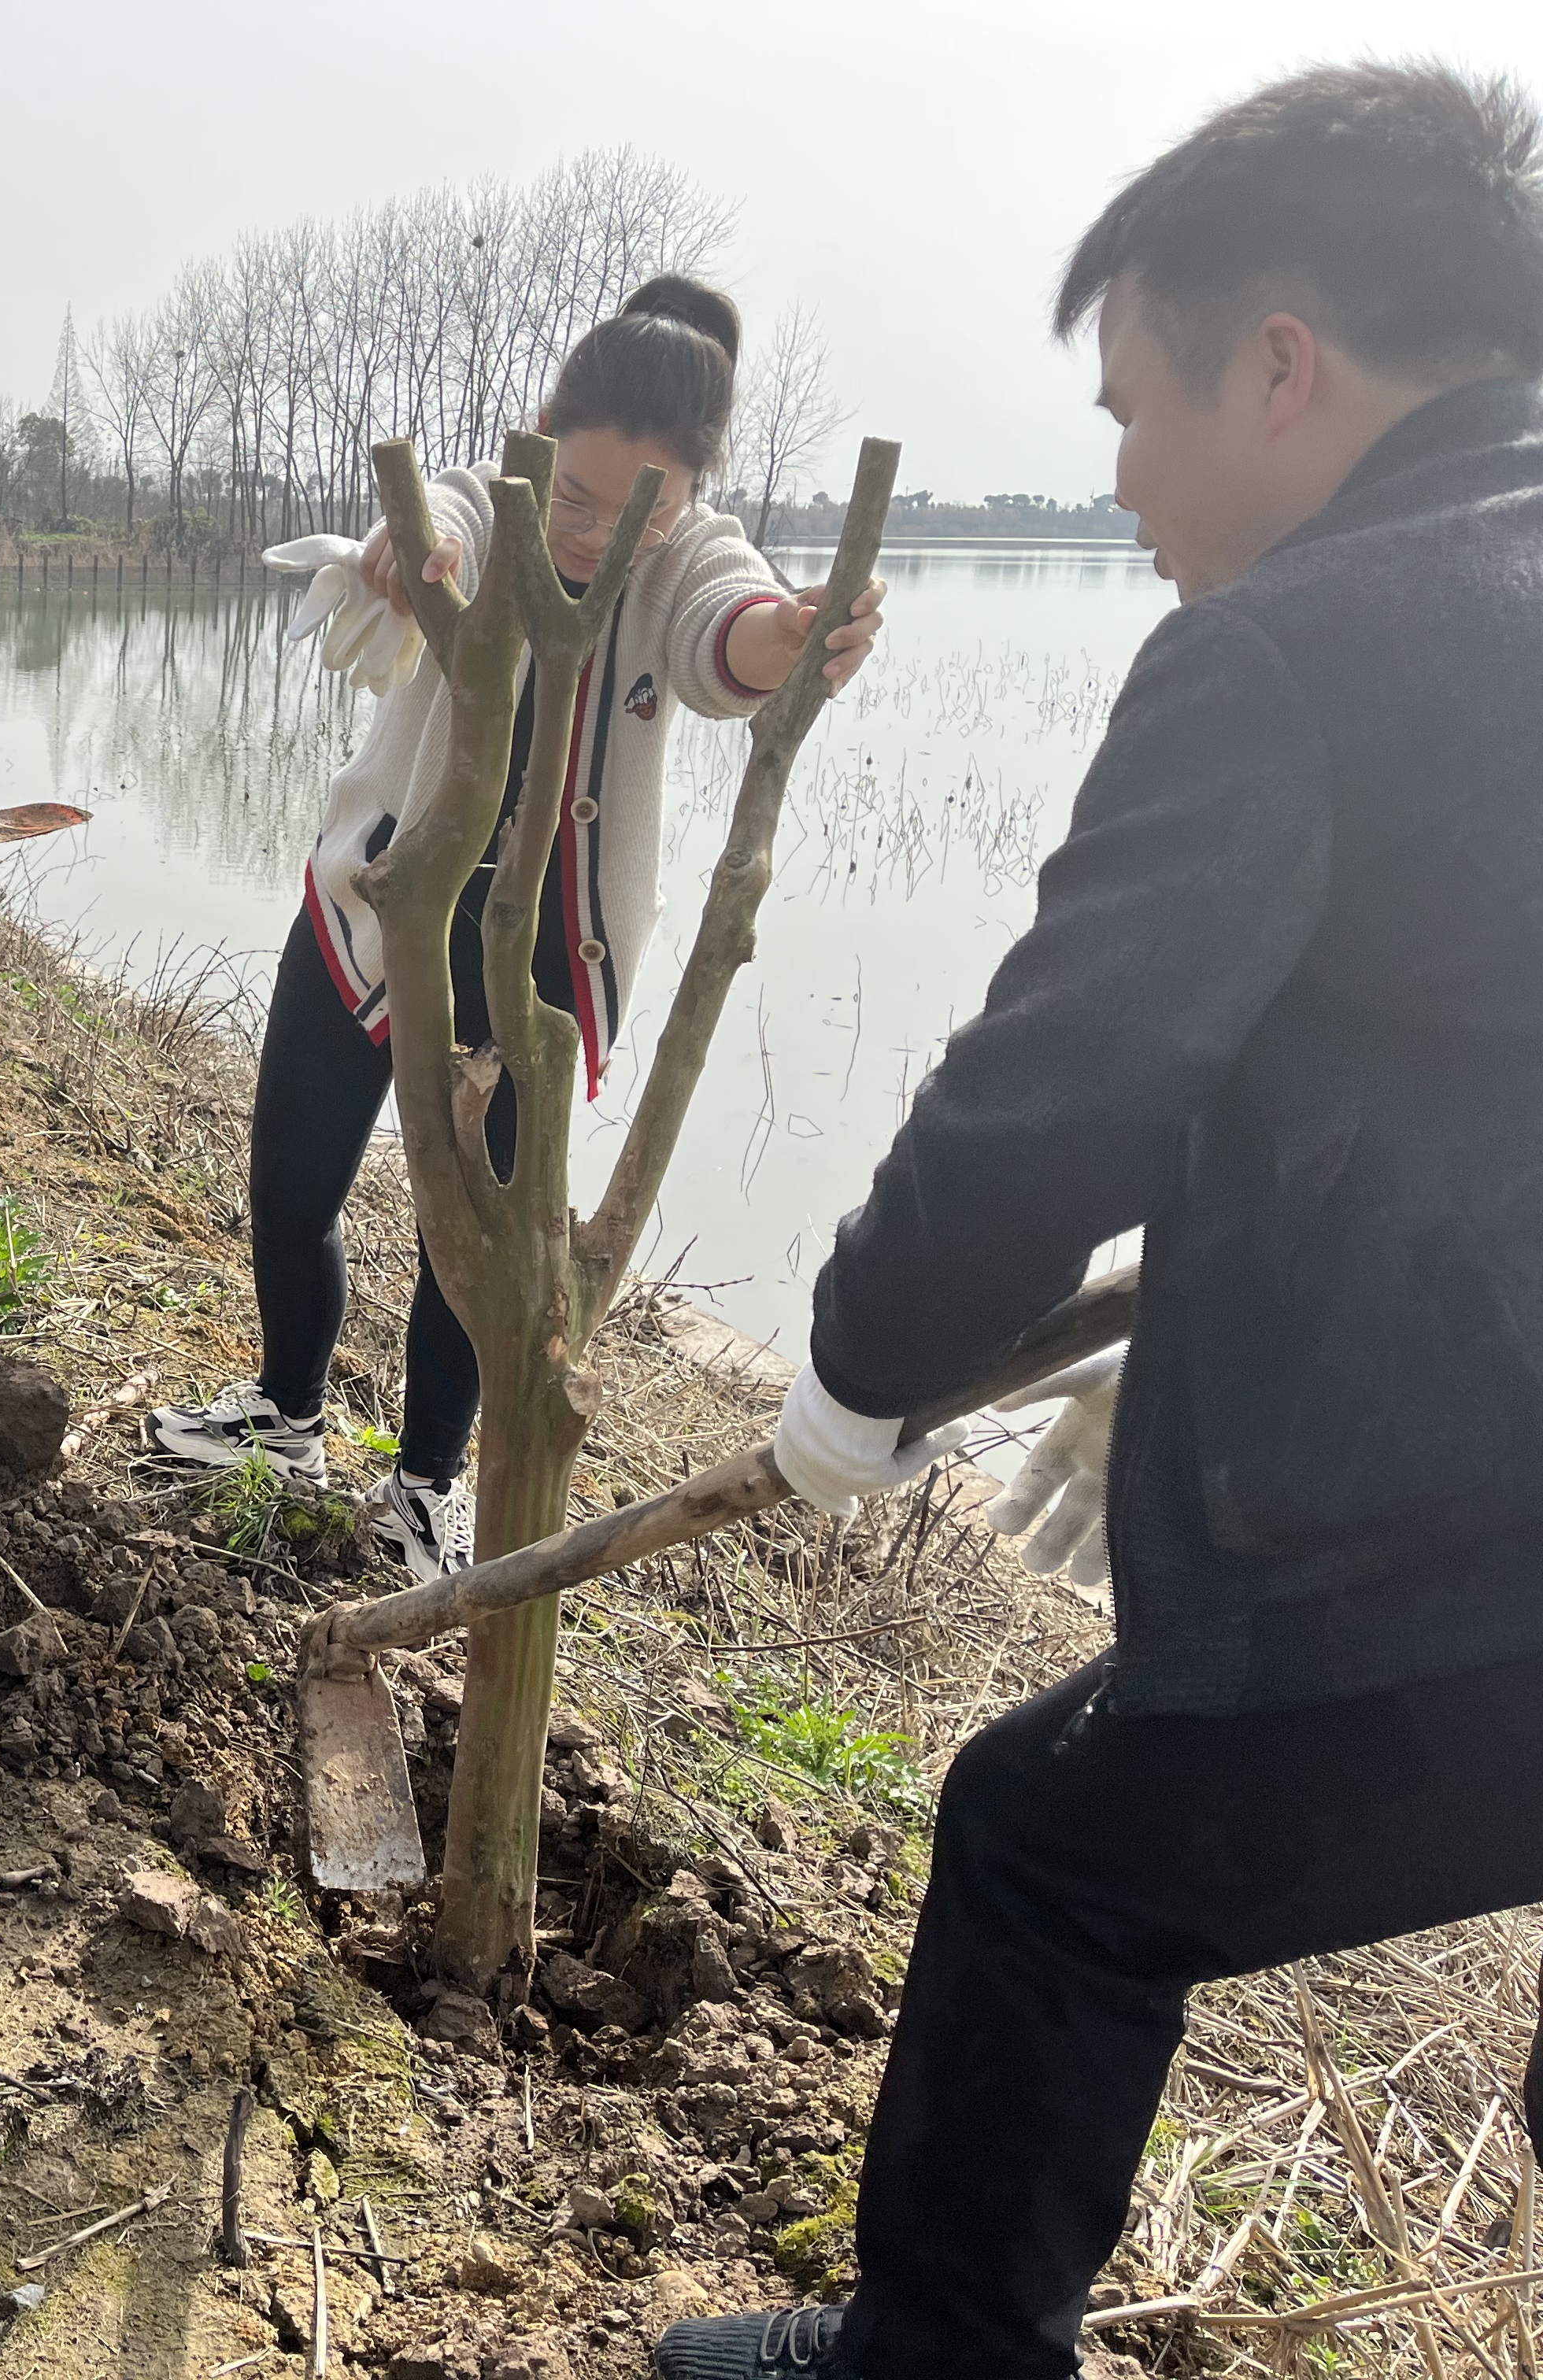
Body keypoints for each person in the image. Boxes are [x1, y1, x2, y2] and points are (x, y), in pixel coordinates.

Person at [657, 64, 1543, 2380]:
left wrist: (859, 1367)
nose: (1121, 476)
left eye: (1136, 406)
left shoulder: (1307, 649)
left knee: (1056, 1850)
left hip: (1486, 1568)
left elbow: (1062, 1098)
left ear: (1284, 366)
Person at [146, 278, 882, 1584]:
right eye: (579, 491)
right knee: (289, 1171)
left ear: (690, 488)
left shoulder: (689, 557)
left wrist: (799, 629)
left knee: (472, 1240)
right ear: (542, 432)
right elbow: (443, 540)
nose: (597, 528)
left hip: (537, 963)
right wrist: (405, 548)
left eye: (636, 502)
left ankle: (428, 1483)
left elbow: (736, 639)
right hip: (379, 903)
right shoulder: (500, 505)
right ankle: (285, 1414)